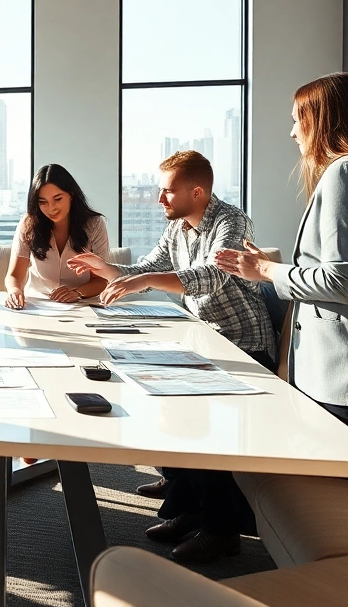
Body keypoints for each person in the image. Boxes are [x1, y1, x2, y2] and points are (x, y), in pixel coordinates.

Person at [69, 150, 275, 564]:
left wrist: (141, 279)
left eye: (166, 191)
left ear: (196, 192)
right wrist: (104, 267)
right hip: (206, 340)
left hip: (243, 345)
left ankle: (220, 532)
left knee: (195, 421)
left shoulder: (231, 222)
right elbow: (147, 268)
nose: (158, 199)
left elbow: (209, 278)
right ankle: (189, 508)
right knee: (161, 397)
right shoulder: (179, 227)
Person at [215, 72, 348, 460]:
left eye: (298, 119)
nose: (293, 132)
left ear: (323, 121)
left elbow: (342, 283)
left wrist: (264, 272)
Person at [4, 164, 110, 309]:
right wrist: (14, 291)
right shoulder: (29, 223)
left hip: (81, 304)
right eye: (43, 202)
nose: (51, 208)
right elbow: (14, 275)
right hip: (36, 305)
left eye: (58, 199)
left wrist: (77, 293)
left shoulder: (95, 224)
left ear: (71, 195)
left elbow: (102, 279)